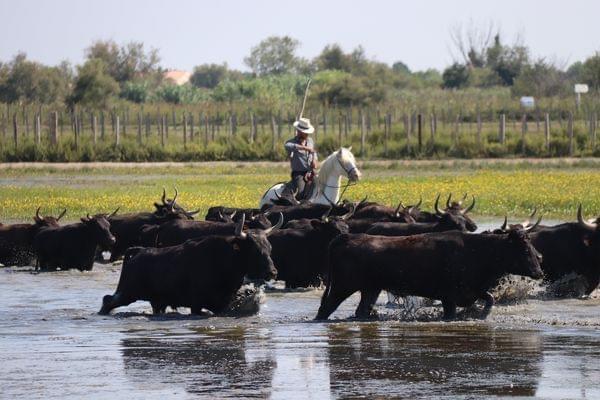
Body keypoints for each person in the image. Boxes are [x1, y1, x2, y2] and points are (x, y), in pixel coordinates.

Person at [283, 117, 319, 200]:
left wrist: (314, 161)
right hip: (298, 173)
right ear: (299, 131)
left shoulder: (310, 141)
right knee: (301, 191)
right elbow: (287, 146)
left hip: (311, 172)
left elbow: (314, 155)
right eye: (305, 132)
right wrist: (305, 148)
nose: (307, 134)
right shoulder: (291, 142)